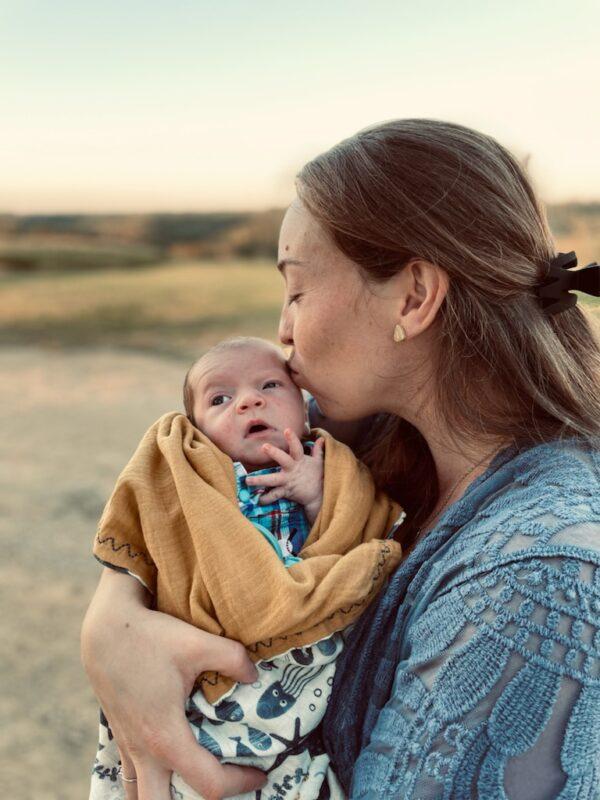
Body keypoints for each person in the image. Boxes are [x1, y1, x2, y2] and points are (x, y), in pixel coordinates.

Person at [81, 119, 600, 799]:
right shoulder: (374, 442)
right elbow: (183, 491)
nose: (283, 330)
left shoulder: (534, 584)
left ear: (413, 297)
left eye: (296, 290)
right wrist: (114, 623)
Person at [88, 336, 404, 800]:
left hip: (295, 636)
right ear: (197, 428)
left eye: (270, 386)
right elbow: (166, 537)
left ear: (304, 408)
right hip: (214, 648)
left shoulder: (324, 463)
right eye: (220, 399)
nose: (249, 401)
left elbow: (349, 524)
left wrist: (318, 493)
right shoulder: (200, 477)